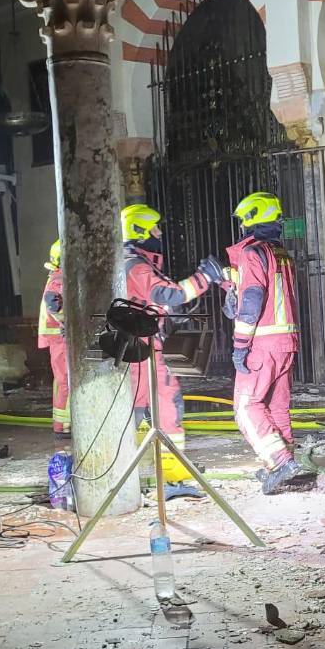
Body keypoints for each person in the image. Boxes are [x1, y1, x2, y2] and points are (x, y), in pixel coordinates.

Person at [121, 204, 224, 487]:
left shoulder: (136, 263)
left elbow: (159, 299)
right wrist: (205, 277)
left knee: (143, 406)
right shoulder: (136, 266)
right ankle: (165, 475)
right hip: (142, 349)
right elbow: (167, 293)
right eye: (154, 228)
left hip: (139, 347)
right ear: (140, 231)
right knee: (159, 404)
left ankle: (159, 474)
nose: (159, 233)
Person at [220, 192, 310, 495]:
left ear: (251, 218)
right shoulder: (280, 252)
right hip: (287, 341)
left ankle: (280, 460)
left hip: (262, 343)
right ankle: (287, 469)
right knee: (277, 406)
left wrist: (240, 345)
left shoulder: (251, 253)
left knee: (246, 407)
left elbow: (253, 299)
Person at [38, 239, 70, 442]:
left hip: (58, 338)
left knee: (62, 382)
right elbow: (54, 304)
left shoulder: (56, 277)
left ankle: (63, 424)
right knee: (66, 382)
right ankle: (64, 426)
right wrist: (68, 322)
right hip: (60, 338)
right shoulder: (59, 280)